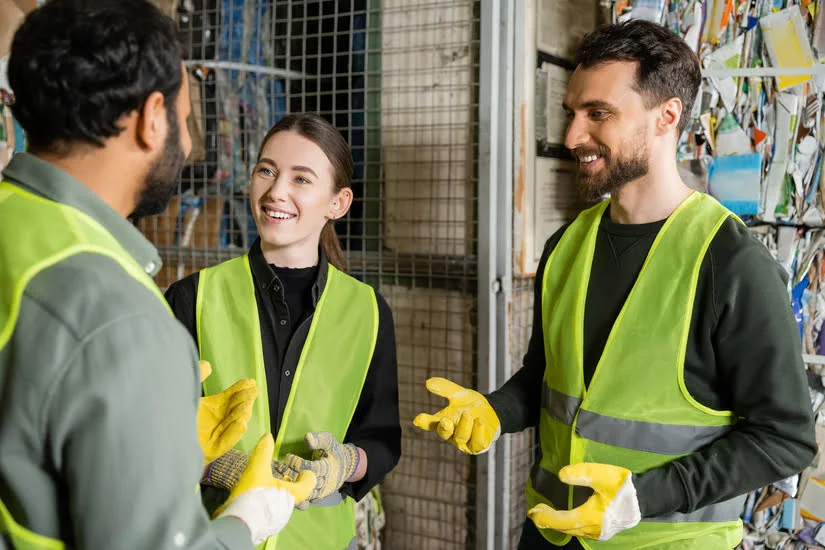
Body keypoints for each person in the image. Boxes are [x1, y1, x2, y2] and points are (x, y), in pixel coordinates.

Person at [413, 19, 818, 550]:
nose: (572, 137)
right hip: (551, 535)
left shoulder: (732, 264)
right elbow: (547, 381)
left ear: (666, 117)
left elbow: (784, 439)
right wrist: (495, 409)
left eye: (598, 114)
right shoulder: (567, 246)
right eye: (572, 114)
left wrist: (640, 497)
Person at [0, 1, 315, 548]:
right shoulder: (124, 320)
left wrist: (137, 427)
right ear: (151, 118)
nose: (189, 141)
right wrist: (246, 521)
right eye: (186, 117)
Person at [165, 113, 402, 550]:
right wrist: (216, 466)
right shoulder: (190, 298)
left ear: (339, 203)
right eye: (266, 171)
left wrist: (345, 463)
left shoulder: (368, 312)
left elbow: (382, 439)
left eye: (302, 179)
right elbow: (147, 431)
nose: (276, 192)